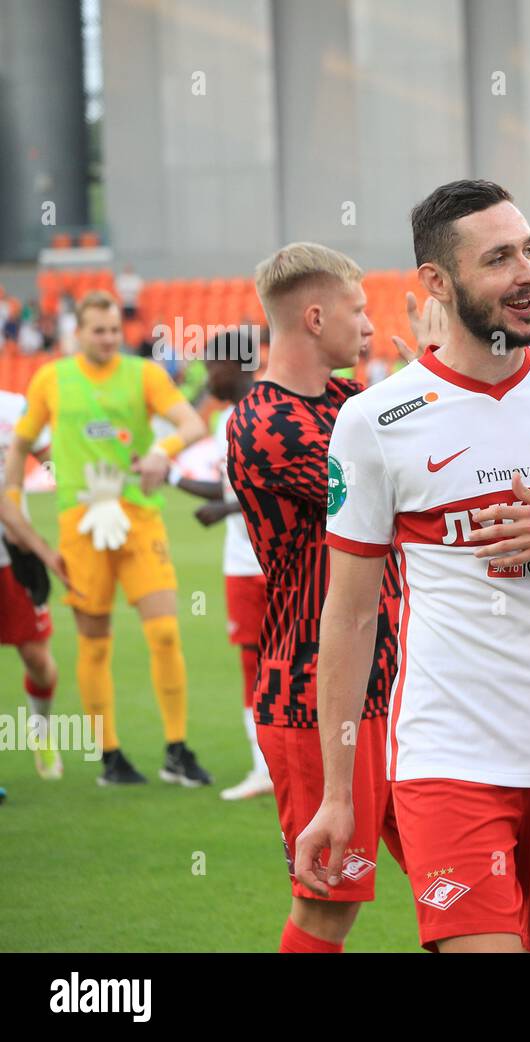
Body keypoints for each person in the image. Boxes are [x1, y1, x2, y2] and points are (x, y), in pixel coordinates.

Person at [295, 179, 530, 954]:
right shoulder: (375, 423)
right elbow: (348, 614)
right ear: (437, 282)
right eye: (499, 258)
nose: (528, 272)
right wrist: (339, 795)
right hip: (449, 756)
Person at [227, 243, 410, 953]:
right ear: (313, 317)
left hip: (391, 687)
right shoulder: (266, 423)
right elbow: (393, 490)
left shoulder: (345, 402)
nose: (369, 326)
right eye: (358, 310)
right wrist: (432, 378)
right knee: (328, 906)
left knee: (452, 878)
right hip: (316, 696)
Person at [2, 290, 211, 787]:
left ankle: (177, 749)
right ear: (78, 333)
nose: (109, 338)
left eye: (115, 329)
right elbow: (22, 444)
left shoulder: (143, 374)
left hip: (138, 515)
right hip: (80, 523)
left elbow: (192, 422)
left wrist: (163, 450)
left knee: (163, 632)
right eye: (98, 330)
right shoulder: (52, 379)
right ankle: (110, 756)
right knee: (95, 645)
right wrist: (11, 493)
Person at [172, 329, 272, 800]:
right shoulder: (223, 422)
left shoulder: (266, 415)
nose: (207, 375)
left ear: (239, 366)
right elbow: (229, 491)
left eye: (213, 365)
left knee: (297, 659)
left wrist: (225, 510)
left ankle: (291, 762)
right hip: (240, 561)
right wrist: (172, 477)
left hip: (277, 561)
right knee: (252, 663)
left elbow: (276, 489)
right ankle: (263, 767)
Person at [0, 390, 60, 779]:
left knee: (38, 660)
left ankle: (40, 729)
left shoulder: (15, 406)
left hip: (12, 556)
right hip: (22, 540)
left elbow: (50, 461)